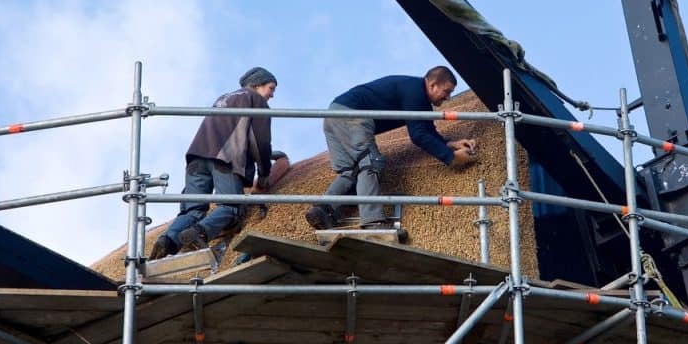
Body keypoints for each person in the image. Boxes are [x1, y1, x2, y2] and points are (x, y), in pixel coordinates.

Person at [305, 65, 477, 230]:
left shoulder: (417, 96)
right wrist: (451, 157)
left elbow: (427, 129)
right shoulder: (415, 90)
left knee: (352, 170)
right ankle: (372, 222)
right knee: (372, 163)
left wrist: (450, 144)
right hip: (352, 115)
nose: (448, 98)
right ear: (432, 84)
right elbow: (418, 135)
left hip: (334, 114)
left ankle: (322, 209)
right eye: (447, 92)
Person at [150, 67, 277, 259]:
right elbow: (260, 141)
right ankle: (199, 234)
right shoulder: (255, 99)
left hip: (196, 158)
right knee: (230, 206)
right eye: (271, 88)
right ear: (257, 84)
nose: (272, 95)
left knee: (193, 210)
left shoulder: (224, 98)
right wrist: (264, 171)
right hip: (224, 159)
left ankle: (167, 241)